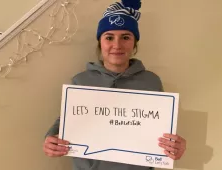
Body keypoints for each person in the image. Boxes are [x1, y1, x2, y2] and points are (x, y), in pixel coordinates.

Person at [43, 0, 186, 170]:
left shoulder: (151, 81)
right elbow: (66, 120)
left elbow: (159, 129)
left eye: (125, 37)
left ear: (134, 43)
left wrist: (175, 145)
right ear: (100, 43)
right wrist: (50, 139)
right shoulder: (81, 81)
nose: (117, 45)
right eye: (109, 37)